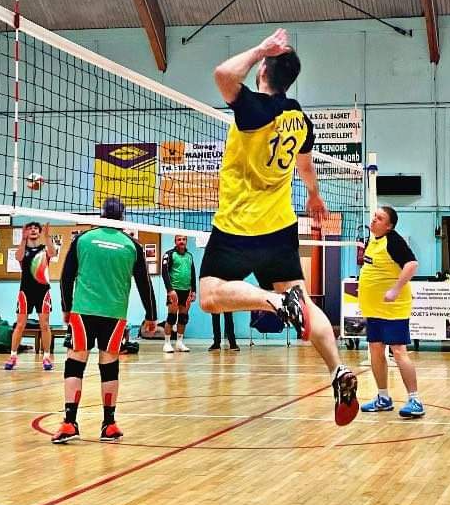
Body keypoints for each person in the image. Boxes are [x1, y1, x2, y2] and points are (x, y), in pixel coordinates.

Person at [198, 27, 358, 425]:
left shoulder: (255, 109)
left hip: (239, 225)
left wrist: (260, 49)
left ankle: (273, 302)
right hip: (281, 226)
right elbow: (305, 164)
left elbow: (222, 74)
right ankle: (337, 368)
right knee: (304, 302)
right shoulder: (298, 118)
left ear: (262, 72)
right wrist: (315, 196)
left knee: (209, 296)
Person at [53, 197, 157, 444]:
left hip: (83, 311)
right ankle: (109, 424)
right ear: (122, 217)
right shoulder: (132, 245)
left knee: (75, 364)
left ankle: (69, 422)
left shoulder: (83, 239)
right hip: (114, 314)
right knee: (109, 367)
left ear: (101, 215)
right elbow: (144, 283)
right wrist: (151, 315)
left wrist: (66, 308)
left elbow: (66, 277)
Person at [358, 205, 423, 418]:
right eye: (374, 216)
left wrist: (395, 290)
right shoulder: (372, 240)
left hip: (392, 309)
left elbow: (412, 264)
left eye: (379, 218)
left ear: (389, 226)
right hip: (373, 308)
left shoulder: (393, 240)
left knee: (398, 351)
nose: (374, 220)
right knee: (375, 350)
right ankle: (383, 397)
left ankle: (415, 400)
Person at [4, 221, 56, 372]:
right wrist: (22, 239)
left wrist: (47, 236)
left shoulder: (44, 249)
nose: (33, 230)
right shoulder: (23, 249)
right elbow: (18, 257)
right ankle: (13, 356)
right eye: (30, 228)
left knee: (44, 325)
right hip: (25, 292)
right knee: (20, 325)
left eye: (36, 228)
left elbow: (53, 253)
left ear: (39, 232)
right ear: (26, 232)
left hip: (43, 291)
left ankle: (46, 357)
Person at [161, 233, 196, 353]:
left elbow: (193, 274)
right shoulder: (169, 254)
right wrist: (170, 290)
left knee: (183, 317)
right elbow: (165, 273)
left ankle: (179, 343)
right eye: (179, 239)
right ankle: (167, 343)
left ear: (186, 241)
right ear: (175, 241)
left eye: (184, 239)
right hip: (174, 291)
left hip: (186, 290)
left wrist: (194, 290)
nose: (182, 241)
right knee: (171, 317)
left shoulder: (189, 256)